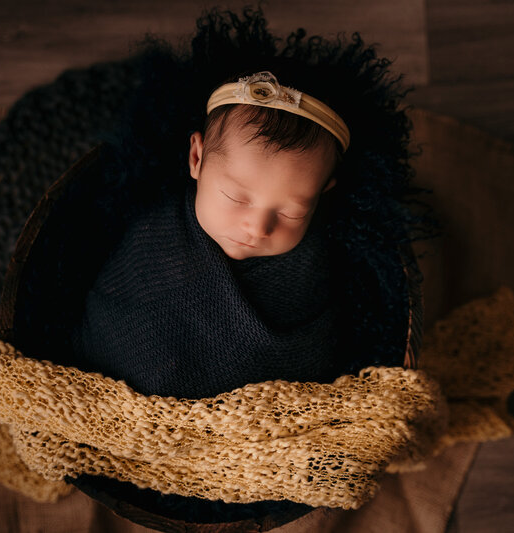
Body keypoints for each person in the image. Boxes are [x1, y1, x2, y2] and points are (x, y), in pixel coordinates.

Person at [70, 70, 350, 399]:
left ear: (322, 193)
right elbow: (112, 314)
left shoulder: (314, 267)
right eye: (237, 198)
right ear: (196, 159)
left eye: (292, 212)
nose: (259, 228)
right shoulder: (152, 235)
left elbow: (319, 362)